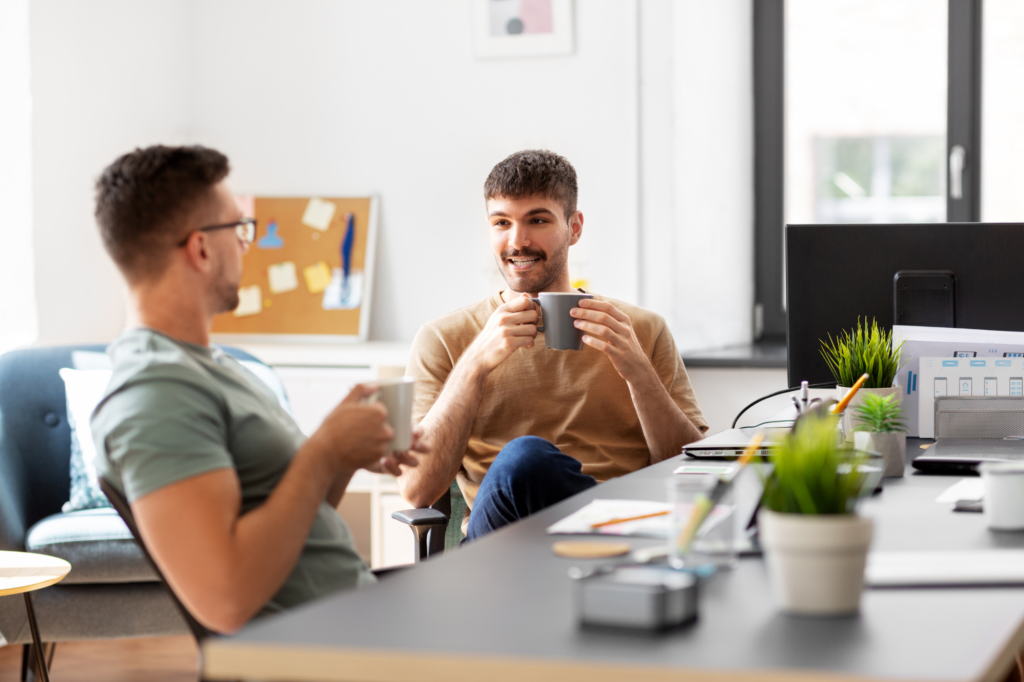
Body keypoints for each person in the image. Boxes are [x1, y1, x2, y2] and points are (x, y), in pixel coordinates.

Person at [91, 145, 421, 634]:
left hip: (356, 621)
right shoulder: (153, 394)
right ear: (201, 248)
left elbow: (292, 520)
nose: (247, 244)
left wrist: (344, 453)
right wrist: (324, 451)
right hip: (323, 653)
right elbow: (226, 598)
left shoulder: (211, 365)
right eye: (239, 229)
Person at [398, 149, 707, 541]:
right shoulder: (445, 338)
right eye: (501, 223)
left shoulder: (639, 330)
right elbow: (416, 489)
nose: (517, 241)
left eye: (538, 220)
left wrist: (638, 372)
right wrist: (474, 364)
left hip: (625, 538)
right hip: (503, 556)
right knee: (525, 459)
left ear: (574, 228)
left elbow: (689, 471)